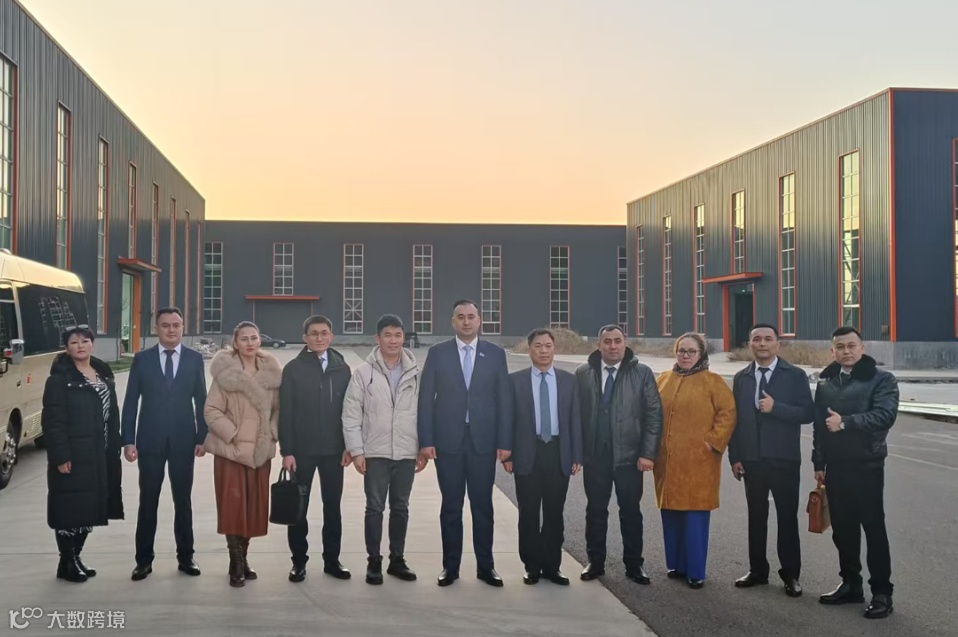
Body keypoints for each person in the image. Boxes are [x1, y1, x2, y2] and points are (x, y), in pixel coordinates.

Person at [418, 299, 513, 587]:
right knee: (451, 506)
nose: (466, 321)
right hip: (448, 442)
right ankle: (451, 567)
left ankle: (486, 567)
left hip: (483, 442)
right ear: (453, 322)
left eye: (471, 316)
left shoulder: (495, 354)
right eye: (461, 317)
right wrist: (426, 440)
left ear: (479, 320)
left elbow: (504, 400)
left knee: (482, 506)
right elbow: (426, 399)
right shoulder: (438, 353)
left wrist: (505, 441)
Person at [813, 326, 899, 620]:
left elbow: (885, 415)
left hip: (867, 466)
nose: (846, 351)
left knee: (874, 530)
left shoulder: (882, 379)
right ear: (832, 351)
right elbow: (819, 427)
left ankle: (882, 593)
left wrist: (846, 422)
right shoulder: (825, 382)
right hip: (836, 467)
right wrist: (818, 463)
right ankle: (851, 584)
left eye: (851, 345)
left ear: (862, 348)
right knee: (843, 530)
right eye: (840, 346)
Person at [121, 307, 207, 581]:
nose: (172, 330)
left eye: (176, 325)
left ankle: (186, 557)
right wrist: (128, 440)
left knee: (183, 501)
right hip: (150, 441)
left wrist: (202, 437)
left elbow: (201, 401)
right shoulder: (142, 360)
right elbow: (131, 400)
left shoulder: (194, 359)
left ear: (183, 327)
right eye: (166, 325)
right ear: (156, 328)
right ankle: (143, 560)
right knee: (148, 501)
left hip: (184, 441)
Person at [729, 323, 814, 597]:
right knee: (756, 516)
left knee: (786, 517)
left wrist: (777, 408)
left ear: (778, 344)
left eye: (768, 339)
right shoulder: (742, 378)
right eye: (757, 339)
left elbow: (807, 413)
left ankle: (791, 574)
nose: (762, 343)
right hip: (752, 459)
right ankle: (757, 570)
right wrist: (735, 456)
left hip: (783, 458)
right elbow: (734, 421)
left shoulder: (794, 375)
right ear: (750, 344)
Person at [342, 314, 428, 585]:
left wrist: (422, 448)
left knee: (401, 507)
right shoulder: (363, 373)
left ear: (404, 338)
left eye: (398, 335)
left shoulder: (416, 373)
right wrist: (357, 451)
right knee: (374, 508)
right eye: (388, 335)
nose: (393, 340)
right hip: (375, 453)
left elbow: (425, 412)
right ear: (377, 339)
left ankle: (397, 560)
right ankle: (374, 561)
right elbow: (351, 414)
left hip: (406, 452)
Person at [576, 324, 662, 584]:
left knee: (631, 512)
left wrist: (647, 453)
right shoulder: (584, 373)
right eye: (607, 341)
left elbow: (654, 415)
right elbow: (576, 416)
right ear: (599, 345)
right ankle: (595, 562)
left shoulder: (642, 373)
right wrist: (578, 453)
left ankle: (634, 565)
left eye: (617, 341)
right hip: (596, 457)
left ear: (625, 343)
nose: (612, 346)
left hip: (630, 457)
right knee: (595, 511)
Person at [41, 325, 124, 583]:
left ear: (92, 344)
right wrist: (60, 456)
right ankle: (67, 560)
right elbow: (53, 421)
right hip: (74, 455)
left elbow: (112, 413)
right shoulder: (59, 380)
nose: (80, 346)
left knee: (90, 507)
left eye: (85, 341)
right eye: (74, 342)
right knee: (70, 508)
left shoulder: (103, 373)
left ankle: (74, 558)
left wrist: (117, 444)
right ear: (66, 348)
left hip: (100, 453)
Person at [653, 333, 736, 589]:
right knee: (671, 514)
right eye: (681, 351)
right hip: (667, 462)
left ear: (701, 354)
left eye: (691, 351)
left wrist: (712, 442)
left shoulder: (713, 382)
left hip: (699, 463)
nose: (686, 356)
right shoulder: (663, 380)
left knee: (694, 518)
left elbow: (728, 414)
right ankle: (676, 565)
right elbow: (651, 414)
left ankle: (695, 570)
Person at [203, 321, 281, 588]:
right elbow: (211, 410)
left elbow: (278, 409)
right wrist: (234, 434)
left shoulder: (271, 373)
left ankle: (243, 558)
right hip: (232, 452)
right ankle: (235, 561)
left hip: (260, 453)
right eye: (244, 339)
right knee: (233, 506)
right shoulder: (226, 374)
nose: (250, 343)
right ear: (235, 343)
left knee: (253, 507)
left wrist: (271, 433)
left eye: (254, 338)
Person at [503, 328, 582, 586]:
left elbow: (575, 420)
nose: (544, 351)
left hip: (558, 452)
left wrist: (576, 454)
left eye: (548, 346)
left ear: (554, 349)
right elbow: (507, 419)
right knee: (528, 512)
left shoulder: (569, 381)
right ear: (529, 350)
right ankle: (532, 566)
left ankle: (552, 566)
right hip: (527, 452)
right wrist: (507, 454)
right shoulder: (515, 381)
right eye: (538, 346)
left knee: (554, 512)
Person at [279, 315, 353, 582]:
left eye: (324, 333)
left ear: (331, 336)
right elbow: (286, 413)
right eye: (314, 333)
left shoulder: (342, 368)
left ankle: (332, 561)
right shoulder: (293, 369)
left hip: (334, 451)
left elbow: (350, 412)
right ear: (305, 338)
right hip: (302, 451)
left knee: (332, 507)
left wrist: (348, 446)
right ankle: (298, 561)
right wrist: (287, 451)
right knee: (298, 508)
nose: (319, 338)